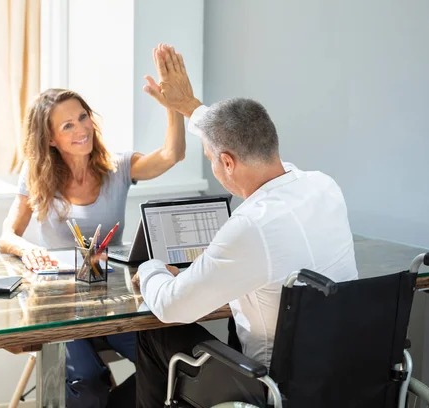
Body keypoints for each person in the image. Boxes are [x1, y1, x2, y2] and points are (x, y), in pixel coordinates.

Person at [134, 44, 359, 407]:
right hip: (341, 372)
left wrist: (150, 267)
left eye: (211, 160)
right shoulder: (323, 186)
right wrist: (189, 105)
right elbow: (238, 136)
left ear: (227, 162)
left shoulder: (250, 226)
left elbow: (172, 306)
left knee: (153, 334)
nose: (212, 166)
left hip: (274, 386)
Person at [0, 84, 185, 407]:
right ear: (51, 139)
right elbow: (8, 235)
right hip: (60, 307)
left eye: (83, 117)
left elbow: (173, 154)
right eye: (67, 125)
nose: (81, 128)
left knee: (170, 367)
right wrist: (26, 249)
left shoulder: (117, 167)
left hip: (116, 301)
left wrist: (173, 106)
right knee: (86, 382)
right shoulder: (36, 174)